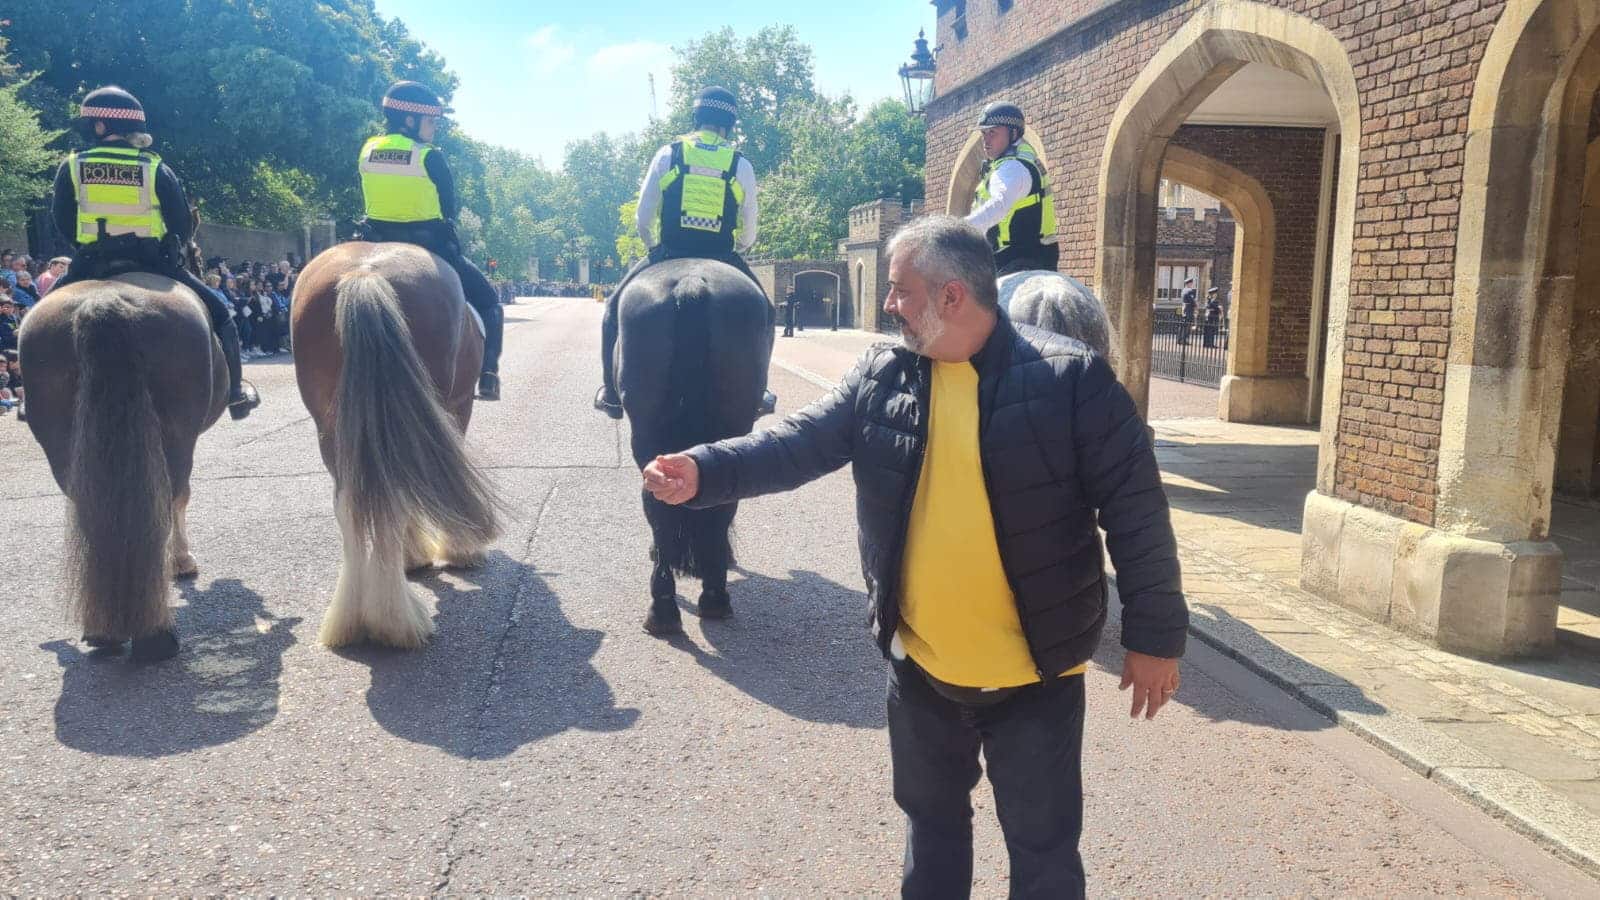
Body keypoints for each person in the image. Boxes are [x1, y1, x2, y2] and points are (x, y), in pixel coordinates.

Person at [642, 217, 1187, 898]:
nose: (888, 303)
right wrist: (705, 468)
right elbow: (797, 443)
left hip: (1037, 676)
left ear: (952, 296)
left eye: (901, 289)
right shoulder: (884, 373)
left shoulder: (1071, 379)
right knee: (931, 837)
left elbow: (1137, 511)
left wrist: (1155, 638)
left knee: (1044, 854)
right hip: (921, 669)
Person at [48, 86, 259, 418]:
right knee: (223, 317)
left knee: (38, 320)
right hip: (151, 261)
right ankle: (235, 394)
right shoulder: (153, 166)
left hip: (92, 262)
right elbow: (181, 224)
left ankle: (34, 396)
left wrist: (84, 247)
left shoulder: (73, 165)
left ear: (100, 126)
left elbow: (61, 219)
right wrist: (168, 247)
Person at [593, 86, 766, 419]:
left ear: (696, 117)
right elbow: (750, 224)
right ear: (729, 125)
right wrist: (740, 247)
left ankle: (610, 394)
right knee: (766, 312)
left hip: (670, 250)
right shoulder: (740, 164)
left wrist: (654, 247)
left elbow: (643, 216)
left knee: (613, 309)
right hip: (721, 254)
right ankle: (759, 392)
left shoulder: (668, 154)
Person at [358, 80, 504, 400]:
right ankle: (489, 375)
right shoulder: (428, 156)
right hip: (427, 245)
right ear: (409, 120)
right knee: (490, 302)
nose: (434, 127)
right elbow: (448, 209)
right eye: (431, 120)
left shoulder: (368, 149)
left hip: (375, 242)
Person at [964, 102, 1060, 276]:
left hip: (1014, 259)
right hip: (1040, 257)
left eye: (993, 132)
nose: (986, 140)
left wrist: (958, 229)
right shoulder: (1021, 161)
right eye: (984, 133)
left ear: (1013, 133)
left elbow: (998, 205)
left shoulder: (1013, 168)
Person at [1177, 277, 1197, 345]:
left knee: (1182, 325)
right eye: (1191, 283)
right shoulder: (1190, 291)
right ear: (1189, 283)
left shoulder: (1183, 290)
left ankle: (1179, 339)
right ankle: (1184, 340)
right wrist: (1196, 306)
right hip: (1189, 309)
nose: (1192, 284)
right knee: (1187, 326)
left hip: (1184, 308)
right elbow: (1192, 301)